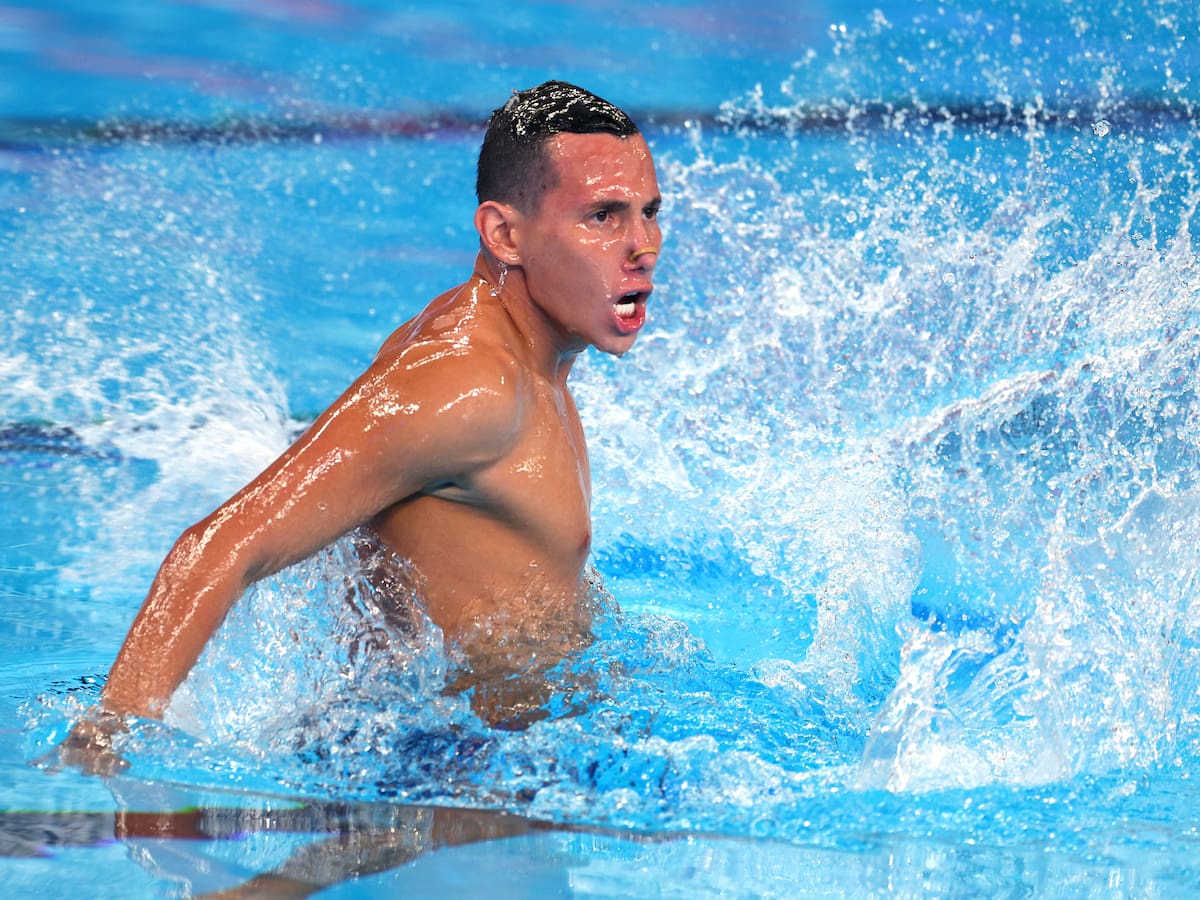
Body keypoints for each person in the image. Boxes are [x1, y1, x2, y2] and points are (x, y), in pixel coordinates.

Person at [71, 80, 662, 752]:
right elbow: (216, 548)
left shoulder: (531, 357)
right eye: (603, 216)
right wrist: (106, 744)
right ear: (505, 234)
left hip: (482, 751)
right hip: (454, 770)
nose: (643, 244)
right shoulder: (464, 385)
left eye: (649, 211)